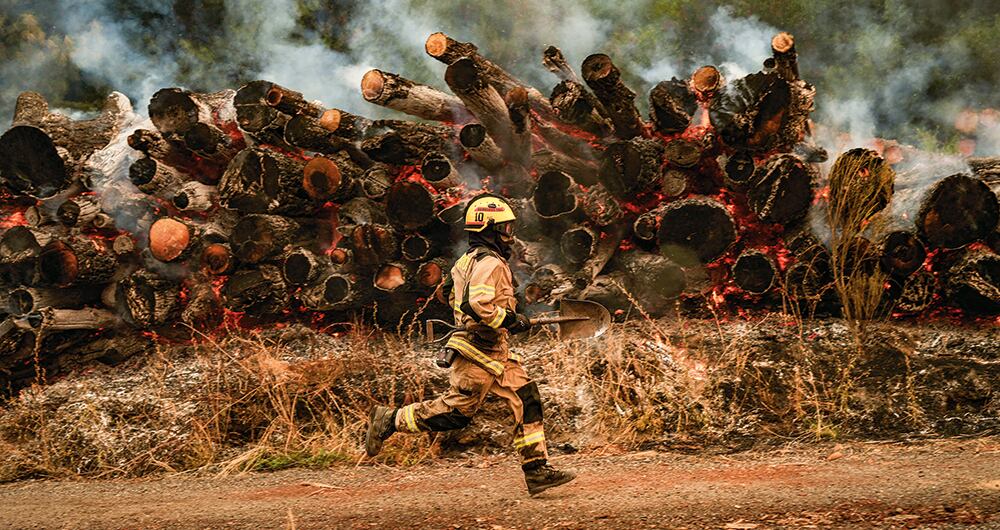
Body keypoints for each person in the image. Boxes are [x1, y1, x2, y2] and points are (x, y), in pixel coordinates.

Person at [365, 193, 576, 496]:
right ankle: (389, 420)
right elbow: (477, 305)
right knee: (455, 413)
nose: (509, 235)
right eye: (505, 228)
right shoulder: (490, 263)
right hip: (478, 352)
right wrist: (508, 319)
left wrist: (500, 319)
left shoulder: (466, 261)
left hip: (495, 350)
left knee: (526, 397)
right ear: (490, 228)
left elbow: (449, 295)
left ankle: (536, 470)